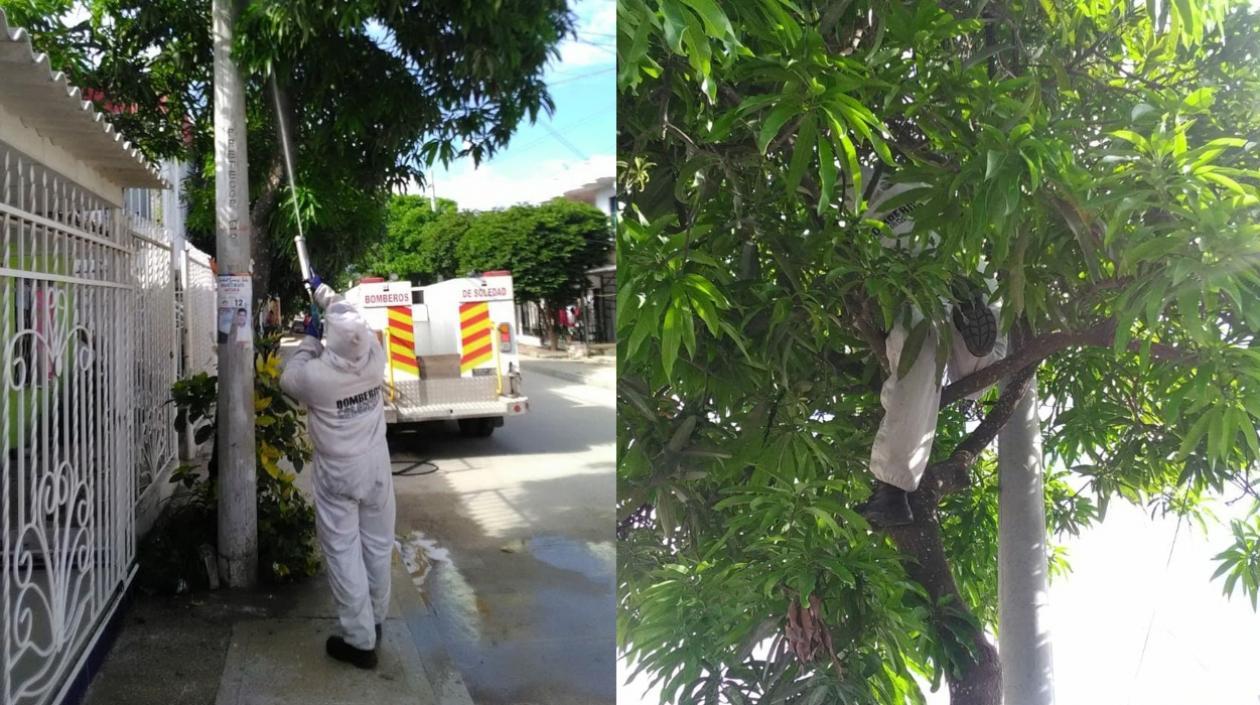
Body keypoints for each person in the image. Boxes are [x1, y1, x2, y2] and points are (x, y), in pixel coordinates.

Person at [854, 173, 1007, 528]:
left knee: (918, 351)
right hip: (956, 262)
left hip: (913, 272)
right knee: (968, 333)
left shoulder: (857, 171)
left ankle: (892, 490)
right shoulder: (925, 155)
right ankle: (977, 358)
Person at [280, 273, 395, 669]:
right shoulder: (374, 357)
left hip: (339, 475)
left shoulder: (316, 377)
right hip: (377, 466)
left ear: (331, 338)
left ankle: (360, 641)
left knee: (344, 552)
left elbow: (287, 377)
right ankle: (375, 621)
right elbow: (351, 320)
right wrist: (325, 295)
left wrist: (311, 336)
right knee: (378, 546)